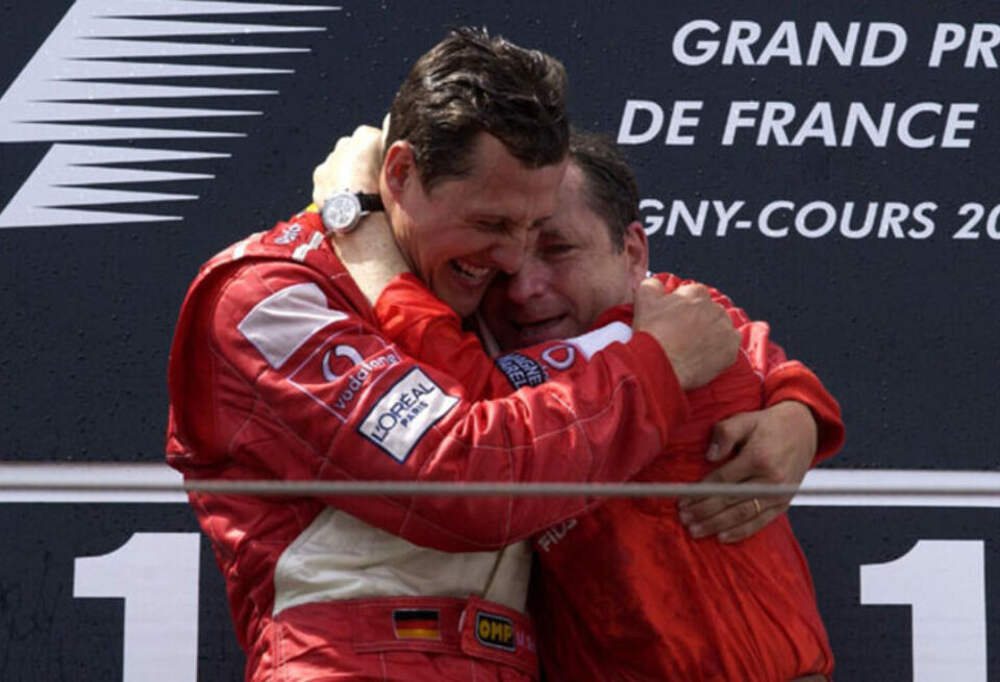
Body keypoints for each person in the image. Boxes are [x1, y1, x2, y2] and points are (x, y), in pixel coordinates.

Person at [165, 28, 741, 682]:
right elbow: (467, 478)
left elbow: (676, 321)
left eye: (536, 228)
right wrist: (658, 369)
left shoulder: (489, 295)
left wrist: (789, 408)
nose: (514, 259)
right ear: (401, 174)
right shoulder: (269, 297)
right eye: (491, 223)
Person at [320, 129, 843, 680]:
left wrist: (366, 234)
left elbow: (474, 409)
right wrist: (800, 408)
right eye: (500, 264)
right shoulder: (662, 327)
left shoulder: (672, 323)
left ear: (632, 252)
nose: (523, 288)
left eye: (557, 250)